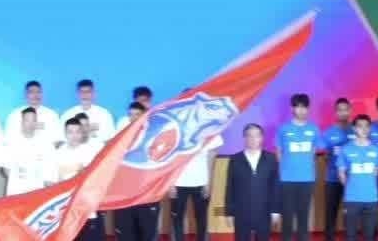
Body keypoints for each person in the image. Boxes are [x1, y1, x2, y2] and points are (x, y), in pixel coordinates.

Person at [170, 90, 223, 241]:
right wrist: (170, 184)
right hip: (178, 183)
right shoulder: (173, 125)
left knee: (202, 219)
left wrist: (209, 182)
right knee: (177, 219)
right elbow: (169, 158)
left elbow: (212, 156)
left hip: (201, 182)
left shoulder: (209, 126)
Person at [275, 94, 324, 241]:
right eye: (298, 107)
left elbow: (315, 149)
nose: (301, 110)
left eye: (304, 107)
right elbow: (278, 152)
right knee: (287, 216)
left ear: (308, 109)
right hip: (287, 179)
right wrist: (283, 171)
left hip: (307, 179)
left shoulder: (314, 129)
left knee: (303, 216)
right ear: (292, 108)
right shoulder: (283, 129)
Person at [224, 124, 281, 241]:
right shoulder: (235, 159)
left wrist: (275, 211)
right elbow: (230, 187)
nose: (253, 139)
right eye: (249, 136)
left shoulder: (271, 158)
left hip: (264, 211)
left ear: (262, 138)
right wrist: (229, 212)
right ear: (244, 138)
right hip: (241, 212)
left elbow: (275, 187)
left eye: (257, 136)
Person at [112, 106, 160, 241]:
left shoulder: (154, 137)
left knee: (147, 235)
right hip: (124, 196)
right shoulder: (120, 139)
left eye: (137, 114)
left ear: (144, 116)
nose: (133, 118)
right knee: (126, 235)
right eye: (131, 115)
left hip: (146, 195)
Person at [338, 115, 378, 241]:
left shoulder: (377, 149)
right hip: (352, 199)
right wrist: (350, 187)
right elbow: (341, 172)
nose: (364, 129)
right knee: (350, 236)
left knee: (370, 236)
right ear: (354, 128)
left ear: (370, 128)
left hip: (371, 199)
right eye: (360, 126)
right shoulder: (346, 149)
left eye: (367, 126)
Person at [55, 117, 104, 241]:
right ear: (65, 133)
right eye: (70, 132)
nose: (74, 136)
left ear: (82, 133)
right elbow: (53, 180)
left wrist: (77, 171)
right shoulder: (58, 153)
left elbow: (93, 176)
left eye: (77, 132)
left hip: (85, 206)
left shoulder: (90, 152)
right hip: (66, 207)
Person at [321, 98, 355, 241]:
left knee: (350, 214)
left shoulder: (356, 130)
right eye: (340, 110)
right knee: (331, 213)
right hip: (332, 179)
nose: (343, 113)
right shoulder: (328, 133)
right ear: (335, 112)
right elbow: (324, 155)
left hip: (353, 181)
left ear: (350, 111)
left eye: (345, 109)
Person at [3, 107, 56, 196]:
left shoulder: (45, 143)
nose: (30, 124)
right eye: (27, 120)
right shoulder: (12, 142)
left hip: (37, 190)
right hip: (16, 190)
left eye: (33, 120)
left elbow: (50, 168)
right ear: (22, 122)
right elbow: (6, 169)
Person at [61, 79, 116, 144]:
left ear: (93, 94)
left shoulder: (104, 114)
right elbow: (62, 140)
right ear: (77, 94)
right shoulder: (68, 115)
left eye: (88, 92)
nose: (85, 95)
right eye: (82, 92)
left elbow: (111, 139)